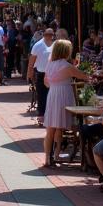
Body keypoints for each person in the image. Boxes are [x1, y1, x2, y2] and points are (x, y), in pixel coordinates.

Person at [42, 39, 83, 168]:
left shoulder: (49, 64)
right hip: (64, 94)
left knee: (51, 129)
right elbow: (84, 76)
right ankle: (57, 154)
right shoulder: (67, 65)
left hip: (53, 94)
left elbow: (46, 83)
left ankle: (48, 157)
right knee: (59, 127)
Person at [27, 26, 55, 128]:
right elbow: (31, 61)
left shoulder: (55, 45)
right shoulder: (38, 45)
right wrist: (29, 74)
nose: (50, 37)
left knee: (51, 96)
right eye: (48, 35)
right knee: (42, 96)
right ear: (44, 35)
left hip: (53, 74)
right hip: (41, 74)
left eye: (51, 35)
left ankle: (50, 117)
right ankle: (41, 117)